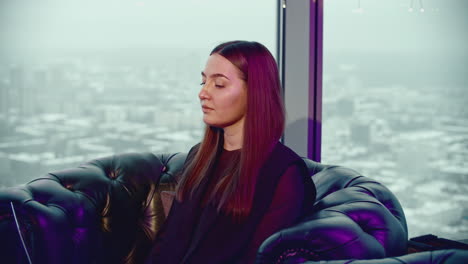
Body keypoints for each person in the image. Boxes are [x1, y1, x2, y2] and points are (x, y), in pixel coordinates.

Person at [145, 40, 316, 264]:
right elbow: (167, 243)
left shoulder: (284, 173)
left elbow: (262, 257)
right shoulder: (198, 157)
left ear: (255, 91)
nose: (203, 93)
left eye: (219, 84)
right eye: (203, 81)